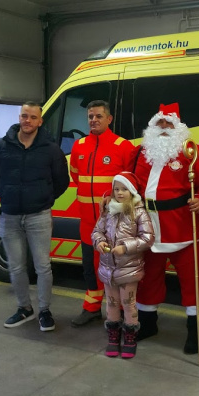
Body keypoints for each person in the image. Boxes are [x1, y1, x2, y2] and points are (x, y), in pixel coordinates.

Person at [128, 103, 199, 353]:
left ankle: (195, 328)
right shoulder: (139, 152)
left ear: (179, 127)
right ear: (152, 126)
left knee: (192, 280)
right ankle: (148, 323)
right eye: (160, 123)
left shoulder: (191, 152)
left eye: (170, 123)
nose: (165, 127)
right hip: (147, 226)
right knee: (148, 278)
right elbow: (128, 180)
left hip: (182, 226)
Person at [0, 101, 70, 331]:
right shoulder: (0, 147)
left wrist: (43, 198)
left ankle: (44, 311)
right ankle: (24, 308)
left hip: (38, 216)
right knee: (16, 267)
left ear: (40, 121)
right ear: (19, 117)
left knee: (43, 267)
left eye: (33, 117)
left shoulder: (51, 149)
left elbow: (62, 181)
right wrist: (7, 195)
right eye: (24, 116)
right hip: (10, 216)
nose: (28, 121)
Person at [69, 100, 136, 327]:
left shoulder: (123, 146)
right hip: (88, 222)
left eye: (98, 116)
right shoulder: (79, 146)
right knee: (90, 267)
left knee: (116, 268)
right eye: (90, 116)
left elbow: (131, 184)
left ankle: (120, 313)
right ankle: (91, 308)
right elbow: (76, 175)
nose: (93, 120)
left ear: (109, 119)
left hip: (114, 223)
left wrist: (111, 197)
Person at [92, 171, 155, 358]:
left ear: (133, 192)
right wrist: (99, 242)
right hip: (108, 269)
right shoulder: (108, 211)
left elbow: (148, 238)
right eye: (116, 189)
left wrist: (125, 247)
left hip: (129, 270)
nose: (119, 193)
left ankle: (130, 336)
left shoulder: (139, 212)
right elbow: (97, 231)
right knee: (111, 303)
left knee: (129, 304)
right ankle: (113, 336)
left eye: (124, 189)